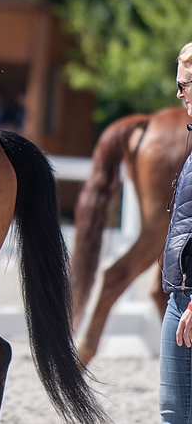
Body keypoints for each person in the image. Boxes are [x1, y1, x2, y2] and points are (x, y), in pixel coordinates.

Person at [160, 41, 192, 422]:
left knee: (175, 414)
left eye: (184, 84)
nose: (179, 93)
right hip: (180, 294)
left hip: (188, 300)